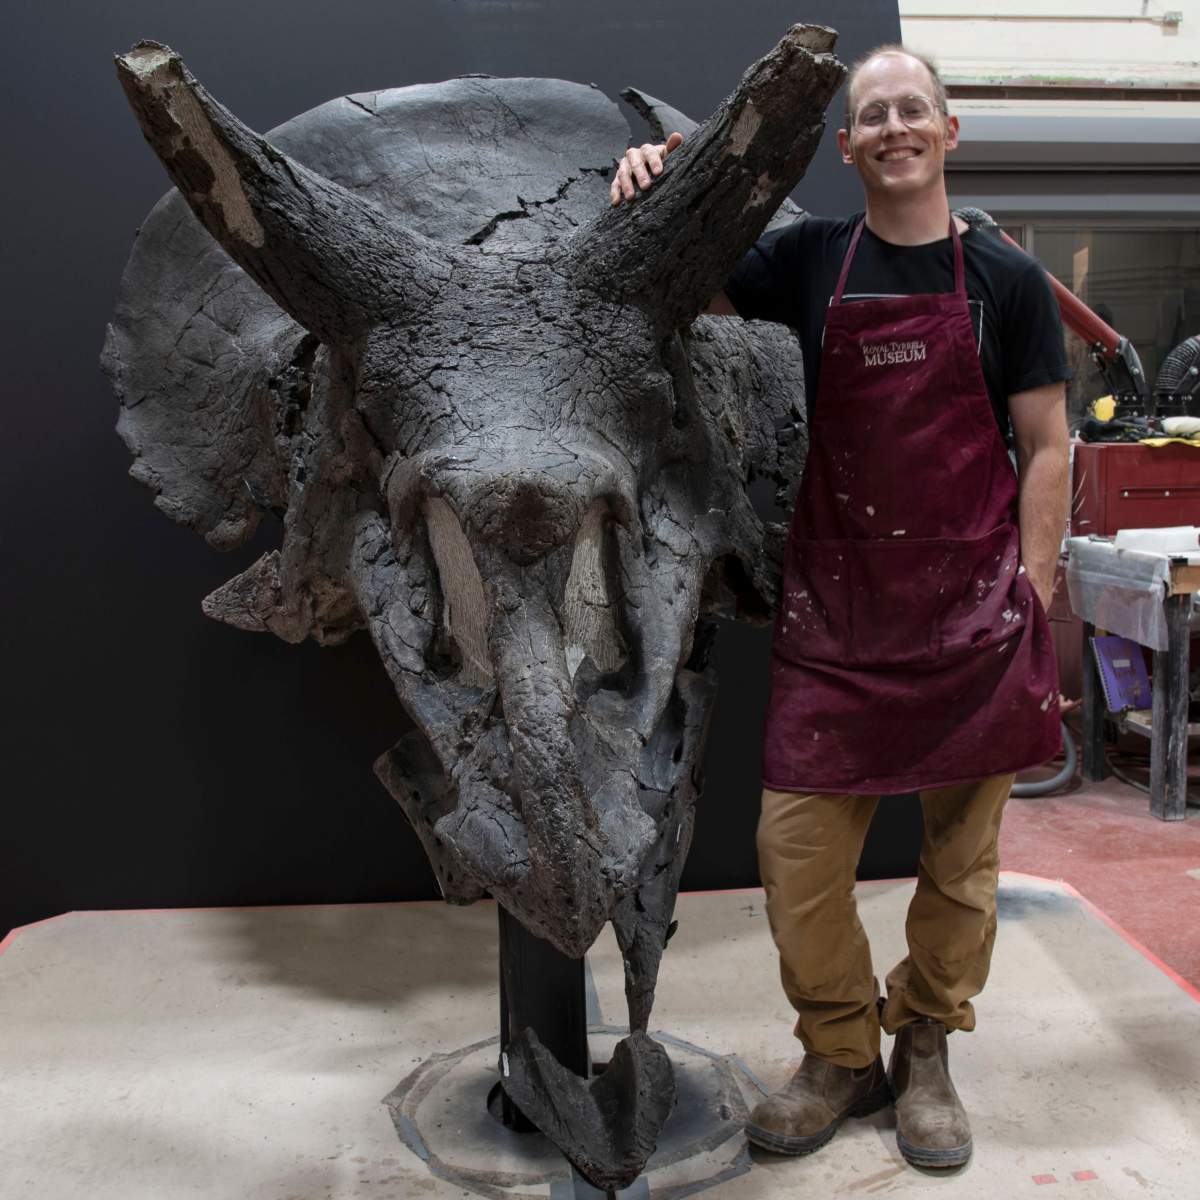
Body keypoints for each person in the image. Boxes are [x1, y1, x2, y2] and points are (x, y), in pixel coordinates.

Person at [611, 44, 1070, 1170]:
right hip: (843, 614)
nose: (897, 126)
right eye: (875, 115)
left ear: (948, 133)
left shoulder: (1005, 279)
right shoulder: (814, 260)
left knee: (960, 866)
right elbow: (691, 269)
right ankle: (838, 1049)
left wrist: (1034, 586)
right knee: (796, 854)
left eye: (915, 109)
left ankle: (923, 1046)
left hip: (975, 617)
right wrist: (667, 179)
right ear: (849, 143)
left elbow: (1050, 443)